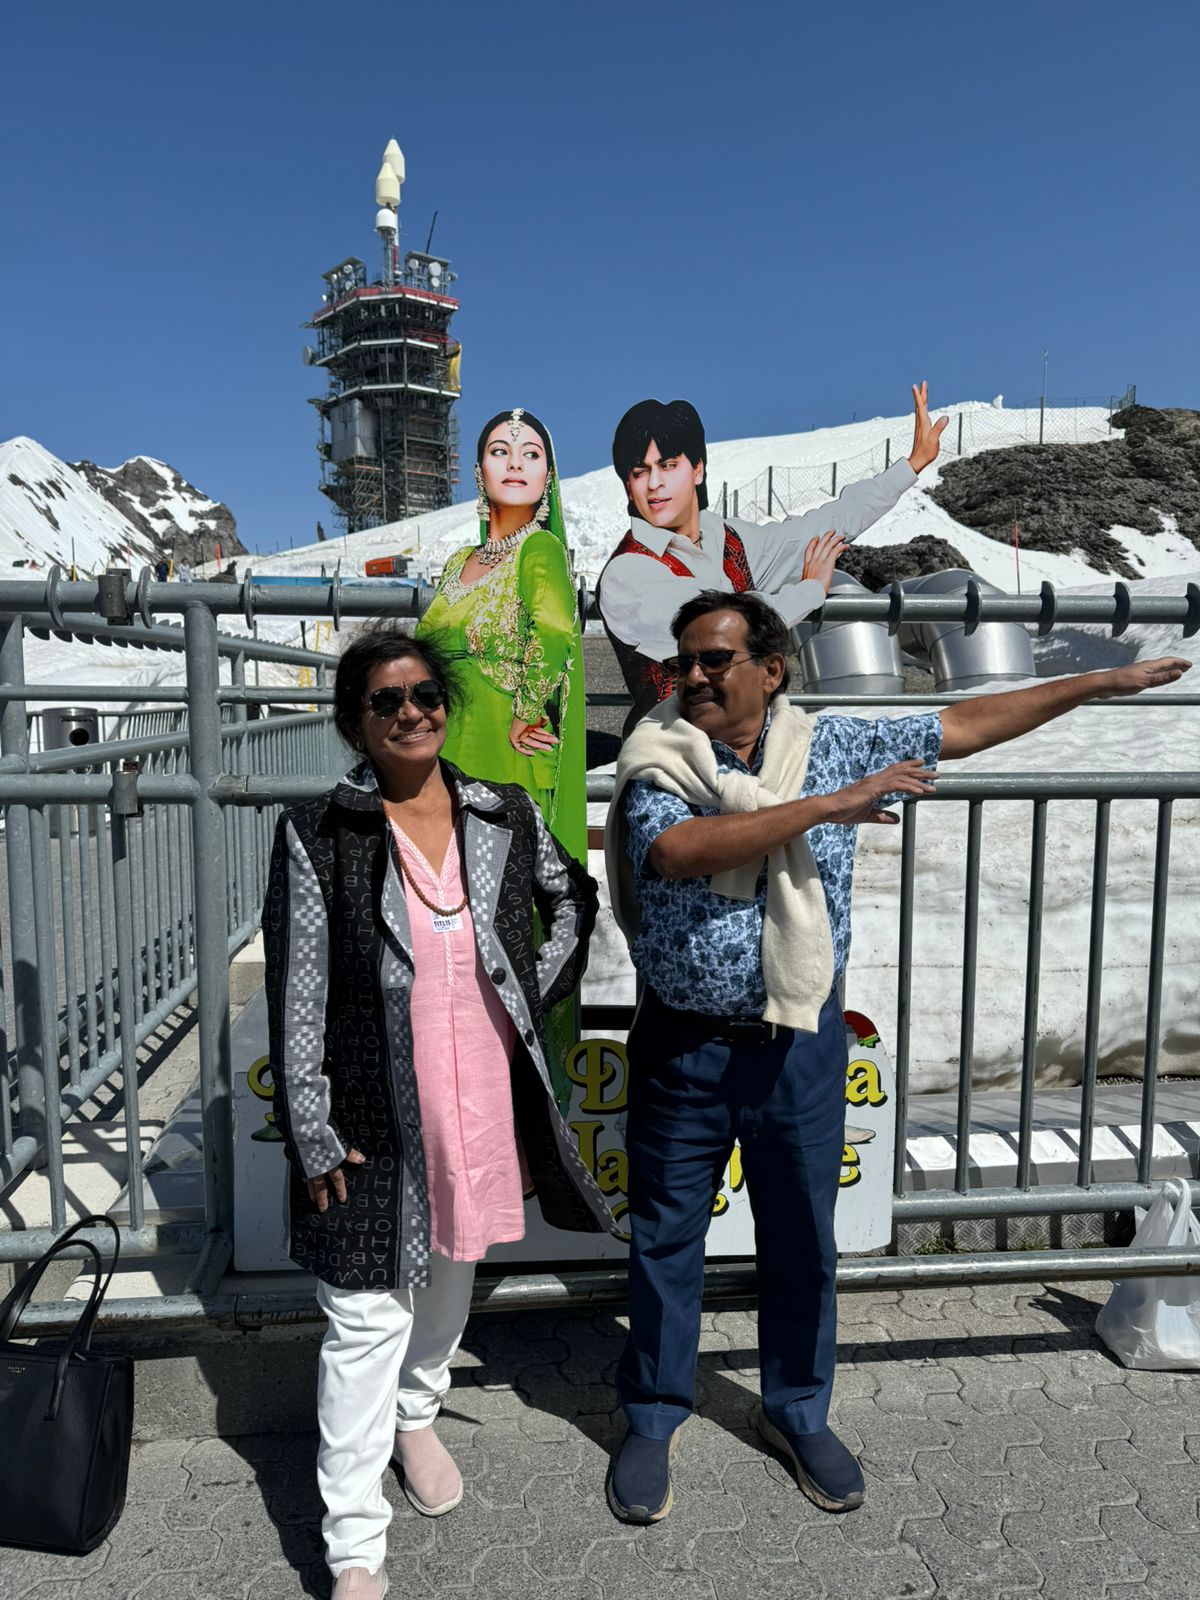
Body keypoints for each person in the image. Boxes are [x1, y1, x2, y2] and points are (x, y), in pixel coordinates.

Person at [602, 588, 1189, 1525]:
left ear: (772, 669)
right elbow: (678, 853)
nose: (696, 677)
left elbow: (964, 724)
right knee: (667, 1237)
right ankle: (654, 1413)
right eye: (685, 662)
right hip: (685, 1043)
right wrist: (830, 807)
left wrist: (1095, 684)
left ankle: (797, 1410)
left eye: (716, 659)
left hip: (798, 1044)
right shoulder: (658, 754)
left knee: (802, 1239)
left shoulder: (827, 742)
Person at [263, 628, 614, 1600]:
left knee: (455, 1264)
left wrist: (525, 986)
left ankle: (417, 1413)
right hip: (371, 1109)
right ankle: (354, 1545)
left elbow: (573, 901)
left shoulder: (501, 810)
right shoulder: (319, 832)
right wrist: (313, 1129)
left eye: (425, 694)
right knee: (364, 1318)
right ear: (355, 723)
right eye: (386, 700)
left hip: (481, 1090)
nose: (411, 712)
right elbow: (297, 989)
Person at [598, 386, 948, 733]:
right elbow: (717, 628)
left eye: (668, 465)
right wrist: (809, 591)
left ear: (697, 470)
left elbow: (823, 526)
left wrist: (911, 466)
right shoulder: (625, 573)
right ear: (629, 486)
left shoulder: (733, 541)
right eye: (640, 472)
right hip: (668, 755)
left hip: (744, 749)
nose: (654, 483)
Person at [416, 407, 586, 1104]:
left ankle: (526, 1097)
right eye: (499, 450)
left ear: (549, 476)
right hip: (449, 748)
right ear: (478, 470)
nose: (515, 462)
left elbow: (555, 631)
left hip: (507, 748)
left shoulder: (539, 551)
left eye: (531, 453)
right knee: (452, 909)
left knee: (510, 909)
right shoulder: (457, 564)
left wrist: (527, 709)